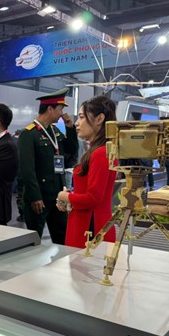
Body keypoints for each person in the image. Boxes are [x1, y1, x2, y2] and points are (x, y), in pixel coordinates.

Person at [18, 87, 78, 244]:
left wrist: (70, 128)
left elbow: (72, 150)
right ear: (50, 109)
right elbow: (27, 169)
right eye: (60, 109)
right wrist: (35, 196)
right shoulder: (29, 134)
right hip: (39, 196)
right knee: (34, 240)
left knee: (62, 237)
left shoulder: (55, 131)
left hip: (57, 195)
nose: (62, 113)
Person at [56, 96, 118, 248]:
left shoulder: (100, 153)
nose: (77, 123)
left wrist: (64, 196)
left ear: (99, 119)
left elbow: (93, 198)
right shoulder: (99, 151)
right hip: (89, 224)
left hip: (90, 229)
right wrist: (71, 197)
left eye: (82, 117)